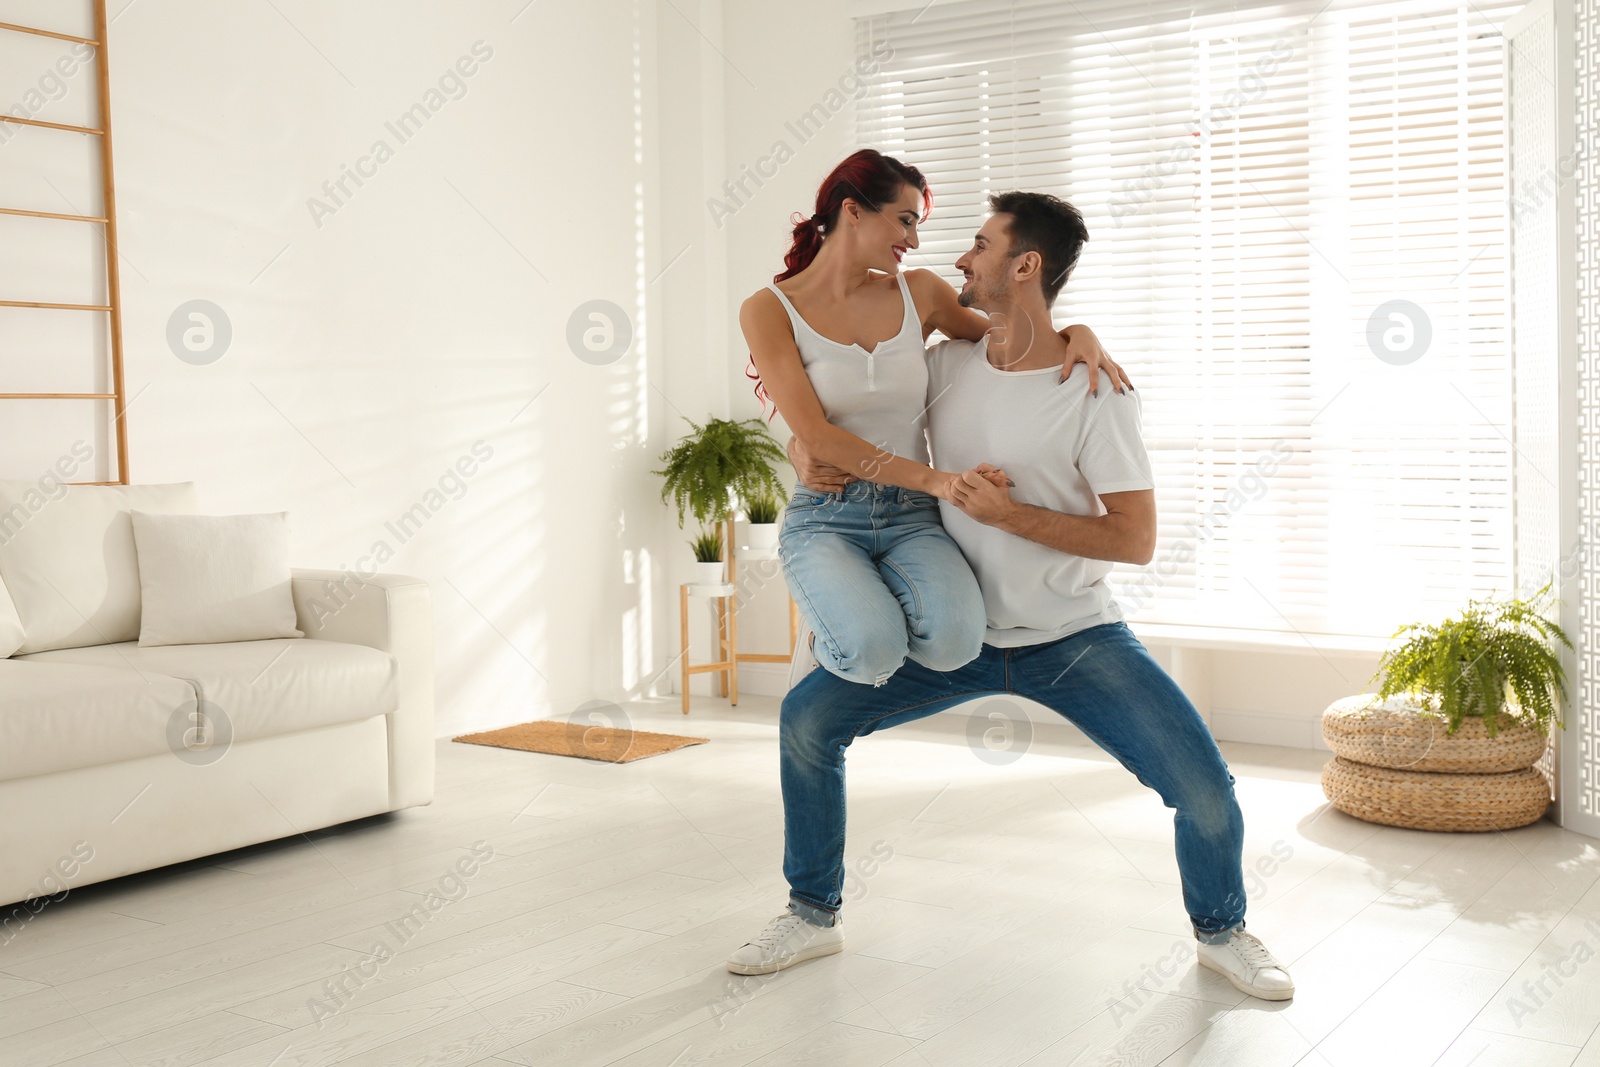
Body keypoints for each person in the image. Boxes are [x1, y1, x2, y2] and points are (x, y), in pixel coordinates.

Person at [726, 191, 1294, 1003]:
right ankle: (812, 914)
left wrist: (1011, 511)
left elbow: (1133, 539)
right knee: (806, 723)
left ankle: (1224, 931)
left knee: (1202, 787)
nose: (959, 257)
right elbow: (852, 413)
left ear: (1025, 265)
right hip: (948, 634)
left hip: (1072, 638)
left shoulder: (1095, 390)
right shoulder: (945, 366)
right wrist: (797, 442)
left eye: (981, 244)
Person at [741, 149, 1129, 689]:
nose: (915, 241)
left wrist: (1077, 332)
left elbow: (1012, 337)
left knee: (954, 648)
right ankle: (838, 634)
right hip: (829, 513)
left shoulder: (918, 292)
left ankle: (860, 619)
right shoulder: (767, 309)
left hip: (912, 517)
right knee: (871, 652)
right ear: (853, 211)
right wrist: (941, 482)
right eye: (905, 221)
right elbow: (816, 434)